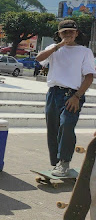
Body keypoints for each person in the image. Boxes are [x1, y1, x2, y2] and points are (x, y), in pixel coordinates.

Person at [35, 20, 95, 177]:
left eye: (71, 32)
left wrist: (77, 96)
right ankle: (56, 163)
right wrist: (59, 45)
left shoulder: (84, 51)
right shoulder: (54, 49)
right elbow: (39, 58)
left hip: (72, 94)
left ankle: (64, 162)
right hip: (54, 93)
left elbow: (89, 77)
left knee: (67, 125)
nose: (68, 35)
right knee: (53, 128)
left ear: (77, 33)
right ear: (59, 34)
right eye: (65, 32)